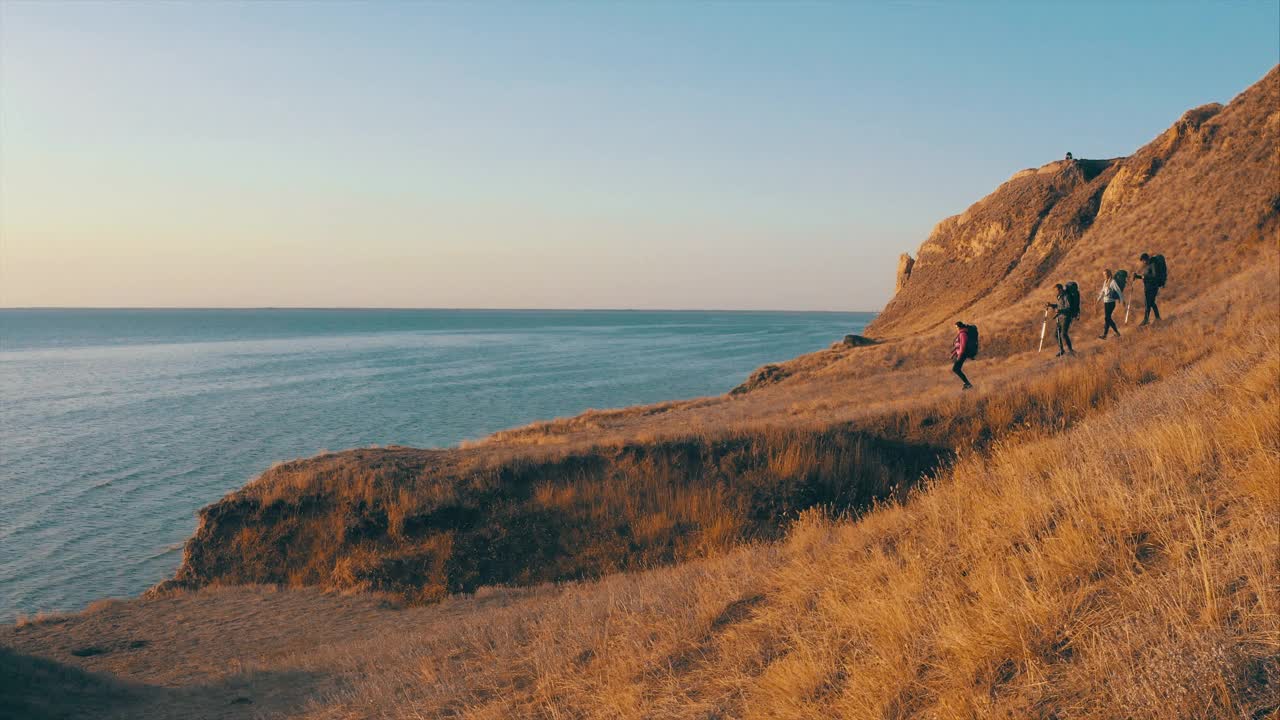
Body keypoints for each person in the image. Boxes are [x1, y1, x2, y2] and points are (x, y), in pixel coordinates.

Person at [1048, 283, 1076, 356]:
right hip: (1060, 317)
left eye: (1056, 290)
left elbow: (1069, 308)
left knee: (1064, 334)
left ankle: (1071, 350)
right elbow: (1059, 305)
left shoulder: (1066, 296)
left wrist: (1060, 311)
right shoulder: (1059, 296)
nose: (1055, 292)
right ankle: (1061, 350)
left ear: (1060, 289)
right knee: (1056, 335)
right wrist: (1051, 305)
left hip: (1066, 317)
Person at [1134, 253, 1162, 325]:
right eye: (1142, 261)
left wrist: (1144, 277)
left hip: (1153, 287)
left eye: (1143, 260)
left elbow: (1154, 276)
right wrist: (1137, 276)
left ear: (1147, 259)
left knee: (1148, 303)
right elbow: (1145, 277)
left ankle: (1146, 320)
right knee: (1151, 302)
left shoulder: (1152, 265)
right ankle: (1158, 318)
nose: (1143, 262)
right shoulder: (1147, 266)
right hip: (1148, 287)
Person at [1096, 269, 1123, 339]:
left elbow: (1118, 291)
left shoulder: (1113, 282)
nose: (1104, 276)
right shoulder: (1105, 282)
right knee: (1107, 319)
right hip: (1106, 302)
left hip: (1111, 303)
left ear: (1109, 274)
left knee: (1107, 318)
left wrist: (1122, 300)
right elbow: (1102, 291)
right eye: (1103, 274)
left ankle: (1116, 332)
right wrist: (1099, 299)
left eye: (1105, 274)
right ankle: (1105, 335)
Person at [950, 321, 973, 390]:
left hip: (962, 354)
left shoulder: (963, 334)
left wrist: (960, 355)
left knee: (955, 369)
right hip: (960, 354)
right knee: (957, 369)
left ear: (959, 327)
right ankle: (966, 383)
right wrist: (953, 354)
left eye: (956, 327)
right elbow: (958, 346)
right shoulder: (961, 333)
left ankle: (967, 384)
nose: (956, 328)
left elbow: (963, 346)